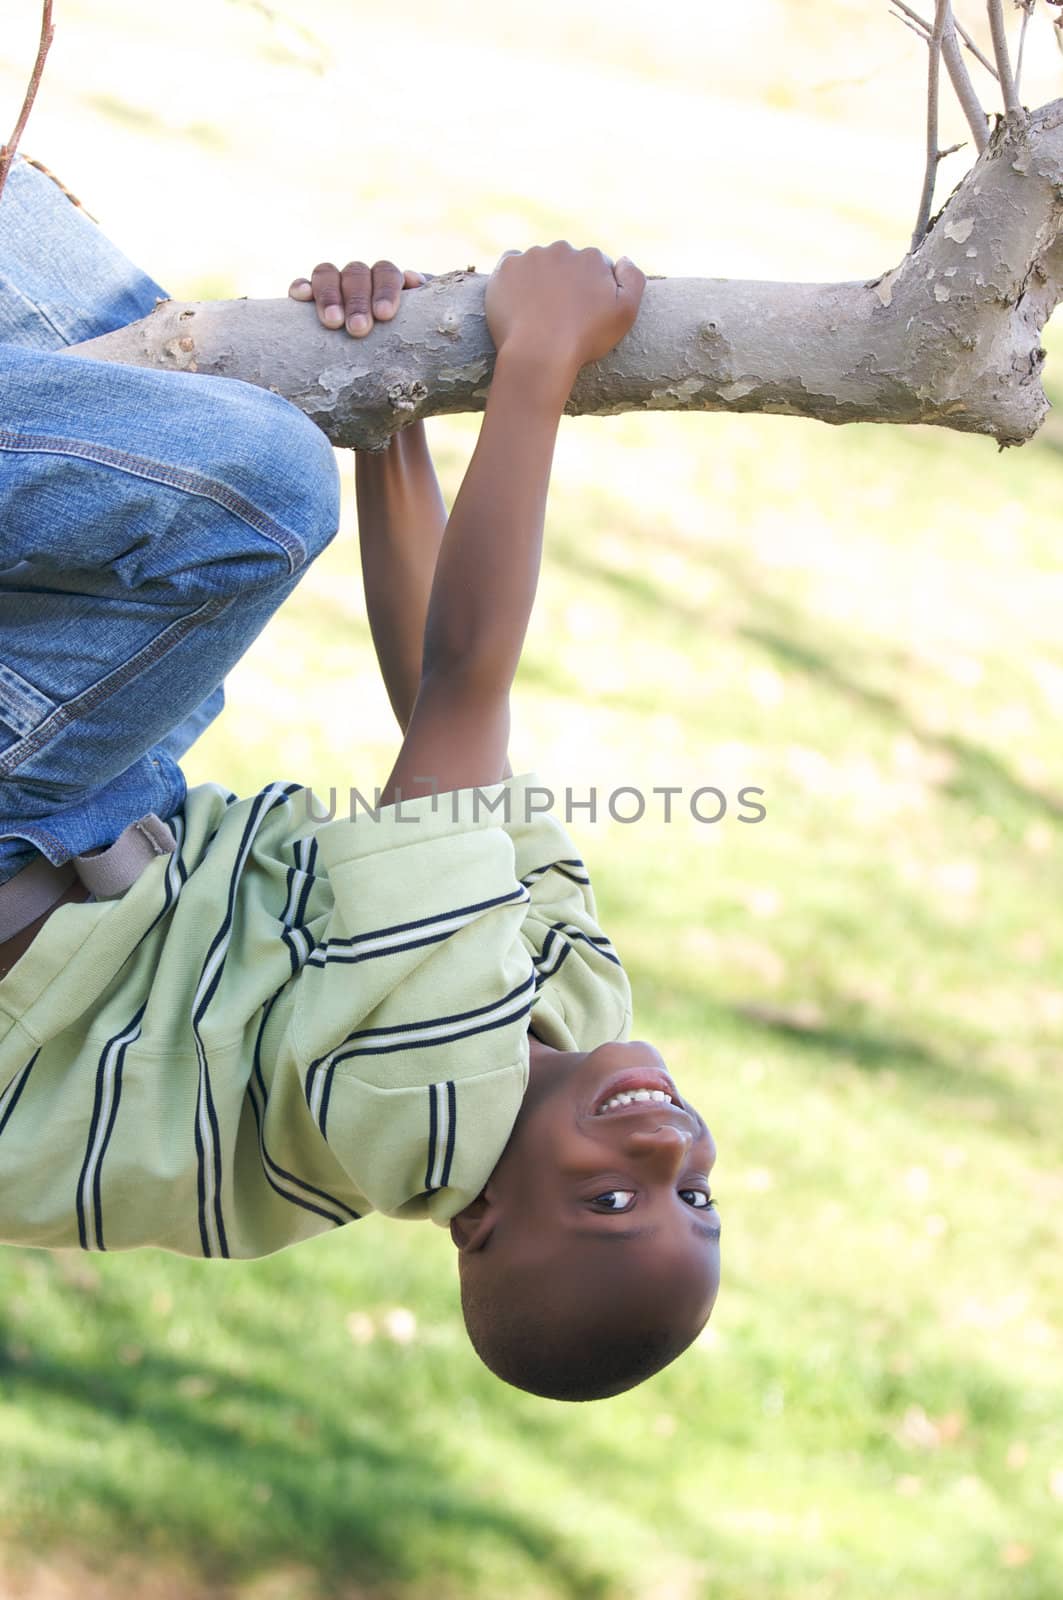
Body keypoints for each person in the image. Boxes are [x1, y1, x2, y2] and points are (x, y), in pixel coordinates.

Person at [0, 158, 720, 1401]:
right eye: (693, 1192)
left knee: (256, 495)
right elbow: (441, 709)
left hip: (36, 830)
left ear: (480, 1221)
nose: (665, 1142)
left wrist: (538, 360)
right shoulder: (575, 1007)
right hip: (96, 806)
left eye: (614, 1198)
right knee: (172, 390)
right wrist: (388, 399)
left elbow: (462, 684)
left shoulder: (428, 1104)